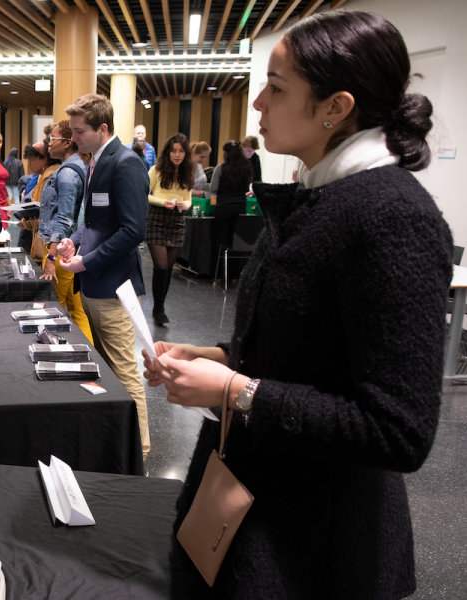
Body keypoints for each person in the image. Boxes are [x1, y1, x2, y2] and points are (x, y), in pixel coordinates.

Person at [142, 10, 452, 598]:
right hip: (268, 515)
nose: (257, 103)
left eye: (277, 88)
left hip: (316, 548)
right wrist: (217, 355)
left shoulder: (392, 217)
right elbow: (310, 348)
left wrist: (236, 390)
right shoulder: (326, 196)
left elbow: (398, 432)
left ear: (335, 107)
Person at [57, 94, 152, 460]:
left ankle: (140, 453)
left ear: (102, 128)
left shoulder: (125, 163)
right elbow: (94, 222)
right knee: (110, 370)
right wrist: (72, 242)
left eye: (79, 131)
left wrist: (86, 262)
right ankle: (118, 449)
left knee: (126, 374)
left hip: (113, 287)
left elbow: (132, 231)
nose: (73, 137)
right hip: (95, 283)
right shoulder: (97, 160)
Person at [38, 119, 92, 341]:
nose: (48, 144)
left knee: (54, 308)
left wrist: (51, 255)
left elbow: (64, 218)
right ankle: (89, 354)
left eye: (53, 139)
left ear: (68, 142)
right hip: (73, 247)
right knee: (76, 310)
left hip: (61, 249)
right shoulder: (78, 166)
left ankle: (58, 355)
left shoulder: (68, 172)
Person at [146, 133, 194, 325]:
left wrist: (185, 205)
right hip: (157, 217)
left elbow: (188, 199)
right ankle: (158, 308)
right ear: (168, 152)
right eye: (174, 150)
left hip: (177, 220)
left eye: (181, 151)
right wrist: (161, 201)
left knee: (168, 269)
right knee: (161, 266)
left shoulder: (187, 172)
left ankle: (160, 306)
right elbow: (144, 193)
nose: (177, 155)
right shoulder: (156, 169)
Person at [209, 140, 252, 275]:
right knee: (237, 242)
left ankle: (219, 274)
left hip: (223, 207)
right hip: (241, 207)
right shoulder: (247, 167)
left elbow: (213, 188)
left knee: (220, 241)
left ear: (225, 153)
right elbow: (249, 184)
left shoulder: (221, 168)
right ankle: (234, 275)